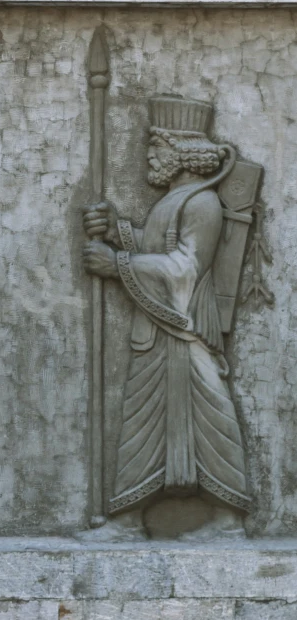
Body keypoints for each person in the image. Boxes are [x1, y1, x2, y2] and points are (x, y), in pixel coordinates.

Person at [82, 97, 250, 541]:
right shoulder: (176, 201)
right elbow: (156, 245)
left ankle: (228, 519)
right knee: (143, 421)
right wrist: (118, 230)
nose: (149, 156)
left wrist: (117, 265)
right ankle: (128, 517)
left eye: (156, 146)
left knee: (210, 419)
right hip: (157, 335)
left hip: (185, 331)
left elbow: (185, 270)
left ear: (180, 150)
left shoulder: (203, 204)